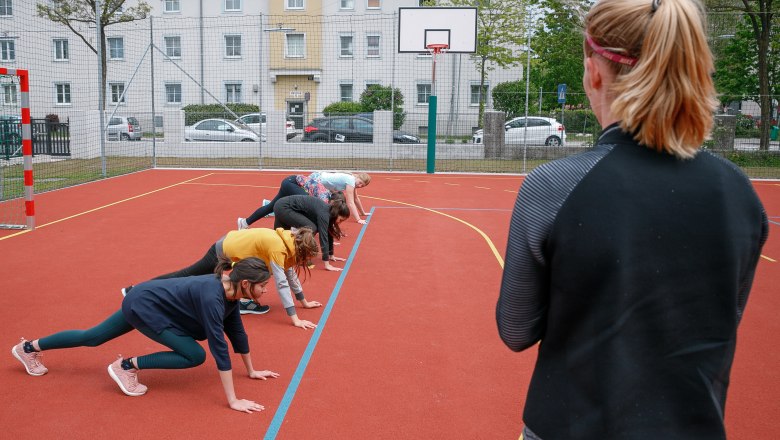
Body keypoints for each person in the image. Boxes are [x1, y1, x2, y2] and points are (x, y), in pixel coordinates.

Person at [496, 1, 769, 439]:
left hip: (571, 424)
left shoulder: (552, 187)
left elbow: (516, 328)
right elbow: (719, 320)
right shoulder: (739, 192)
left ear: (594, 70)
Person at [12, 257, 280, 413]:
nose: (265, 290)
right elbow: (218, 347)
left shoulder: (230, 295)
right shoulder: (213, 298)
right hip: (145, 306)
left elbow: (236, 333)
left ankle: (28, 348)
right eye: (263, 286)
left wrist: (252, 370)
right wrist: (233, 400)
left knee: (92, 337)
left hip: (146, 298)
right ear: (245, 284)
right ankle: (126, 366)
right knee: (195, 355)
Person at [124, 227, 322, 329]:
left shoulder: (289, 245)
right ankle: (138, 289)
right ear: (301, 250)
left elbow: (289, 274)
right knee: (186, 276)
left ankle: (244, 302)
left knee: (190, 279)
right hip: (224, 251)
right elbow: (281, 282)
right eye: (307, 258)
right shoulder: (279, 247)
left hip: (238, 255)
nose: (306, 262)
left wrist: (303, 301)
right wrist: (294, 319)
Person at [237, 171, 371, 229]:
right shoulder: (349, 181)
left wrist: (363, 213)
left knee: (272, 206)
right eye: (361, 183)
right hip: (297, 182)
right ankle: (298, 228)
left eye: (362, 186)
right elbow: (351, 201)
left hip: (293, 181)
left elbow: (355, 198)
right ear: (358, 177)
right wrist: (358, 219)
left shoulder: (328, 194)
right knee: (306, 204)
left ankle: (244, 222)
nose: (360, 186)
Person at [273, 194, 350, 271]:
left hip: (283, 206)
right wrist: (327, 264)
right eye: (340, 220)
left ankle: (293, 253)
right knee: (311, 228)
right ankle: (300, 255)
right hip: (284, 207)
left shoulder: (329, 211)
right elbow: (324, 237)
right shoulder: (324, 214)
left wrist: (331, 255)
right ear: (336, 213)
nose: (340, 223)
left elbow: (329, 233)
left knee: (279, 239)